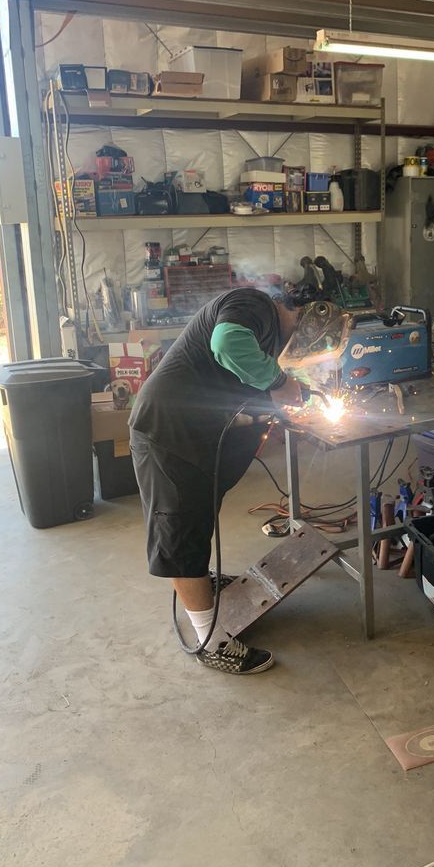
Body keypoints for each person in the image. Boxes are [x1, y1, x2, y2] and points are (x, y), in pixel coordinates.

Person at [129, 286, 307, 675]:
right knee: (180, 535)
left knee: (196, 520)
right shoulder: (254, 304)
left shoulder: (259, 322)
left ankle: (201, 583)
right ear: (292, 309)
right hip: (167, 434)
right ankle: (211, 640)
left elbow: (235, 373)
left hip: (189, 435)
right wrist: (279, 384)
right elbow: (227, 343)